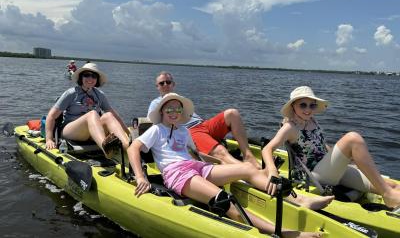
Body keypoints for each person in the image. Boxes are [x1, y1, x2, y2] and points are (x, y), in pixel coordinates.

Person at [129, 92, 331, 238]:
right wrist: (140, 176)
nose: (174, 112)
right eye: (169, 109)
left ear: (182, 112)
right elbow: (133, 149)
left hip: (196, 167)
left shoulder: (183, 131)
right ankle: (285, 233)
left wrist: (221, 166)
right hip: (177, 175)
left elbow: (195, 155)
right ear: (162, 111)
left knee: (248, 168)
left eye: (177, 108)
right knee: (224, 199)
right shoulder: (156, 130)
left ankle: (300, 200)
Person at [262, 86, 400, 209]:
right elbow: (267, 149)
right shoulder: (290, 127)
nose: (308, 109)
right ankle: (388, 196)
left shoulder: (312, 121)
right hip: (312, 176)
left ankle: (389, 193)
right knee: (353, 138)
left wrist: (347, 162)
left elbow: (321, 146)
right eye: (303, 105)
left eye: (312, 106)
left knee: (392, 185)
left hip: (328, 171)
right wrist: (273, 171)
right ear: (293, 107)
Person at [147, 71, 261, 169]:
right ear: (157, 87)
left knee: (232, 113)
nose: (165, 84)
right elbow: (157, 126)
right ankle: (249, 170)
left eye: (168, 82)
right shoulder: (156, 104)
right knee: (221, 151)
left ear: (173, 84)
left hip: (203, 124)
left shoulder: (180, 100)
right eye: (162, 83)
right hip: (192, 131)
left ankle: (248, 156)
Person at [45, 62, 130, 158]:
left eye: (93, 76)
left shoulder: (99, 94)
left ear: (97, 80)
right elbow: (51, 116)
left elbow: (114, 115)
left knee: (109, 116)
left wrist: (128, 132)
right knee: (92, 114)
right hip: (71, 130)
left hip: (92, 132)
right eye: (86, 75)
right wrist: (49, 139)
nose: (90, 79)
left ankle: (128, 146)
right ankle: (106, 149)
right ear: (81, 77)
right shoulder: (71, 93)